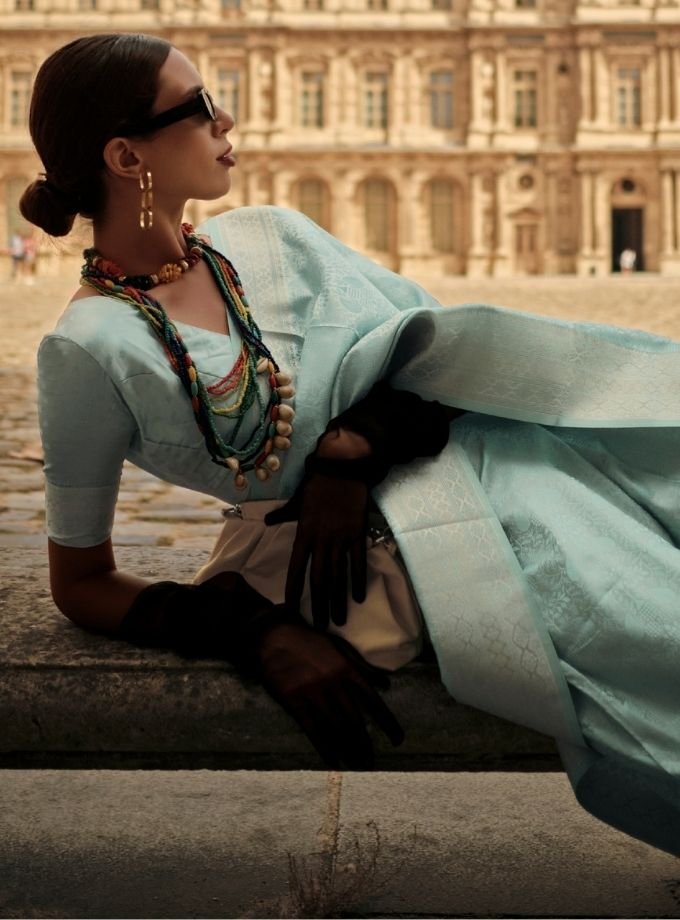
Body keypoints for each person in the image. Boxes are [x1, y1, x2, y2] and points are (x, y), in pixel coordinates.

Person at [20, 34, 680, 857]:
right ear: (127, 156)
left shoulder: (272, 239)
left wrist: (355, 446)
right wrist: (251, 631)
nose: (228, 118)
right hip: (384, 553)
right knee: (646, 629)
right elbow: (81, 580)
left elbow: (439, 344)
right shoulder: (87, 349)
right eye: (198, 107)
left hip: (496, 461)